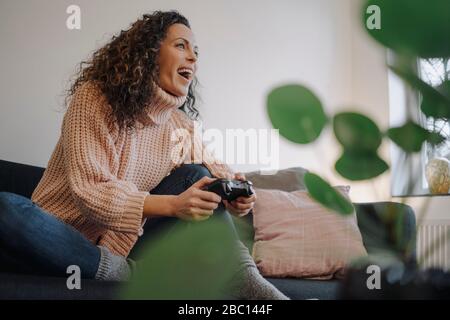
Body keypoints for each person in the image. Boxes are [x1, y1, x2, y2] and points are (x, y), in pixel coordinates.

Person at [0, 11, 288, 300]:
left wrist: (237, 196)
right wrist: (174, 205)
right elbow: (90, 192)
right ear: (149, 52)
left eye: (196, 51)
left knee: (200, 177)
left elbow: (219, 172)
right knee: (6, 209)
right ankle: (124, 273)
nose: (193, 58)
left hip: (123, 247)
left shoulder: (180, 125)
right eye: (181, 46)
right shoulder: (94, 99)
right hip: (55, 237)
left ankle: (245, 281)